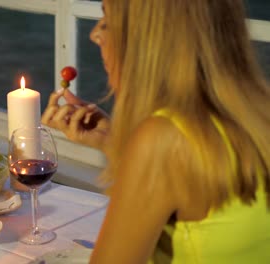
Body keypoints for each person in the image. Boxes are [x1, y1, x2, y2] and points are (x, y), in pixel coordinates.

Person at [42, 0, 270, 263]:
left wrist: (142, 148)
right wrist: (116, 142)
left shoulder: (164, 139)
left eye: (108, 21)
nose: (95, 34)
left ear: (149, 38)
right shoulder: (256, 114)